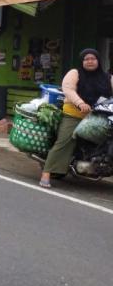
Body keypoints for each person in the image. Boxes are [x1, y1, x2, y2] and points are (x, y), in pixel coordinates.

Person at [40, 48, 113, 187]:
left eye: (93, 59)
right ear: (82, 61)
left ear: (98, 60)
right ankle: (46, 173)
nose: (90, 61)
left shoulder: (108, 78)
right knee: (66, 140)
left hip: (99, 117)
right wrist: (80, 103)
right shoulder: (75, 73)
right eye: (86, 59)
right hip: (75, 114)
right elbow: (68, 89)